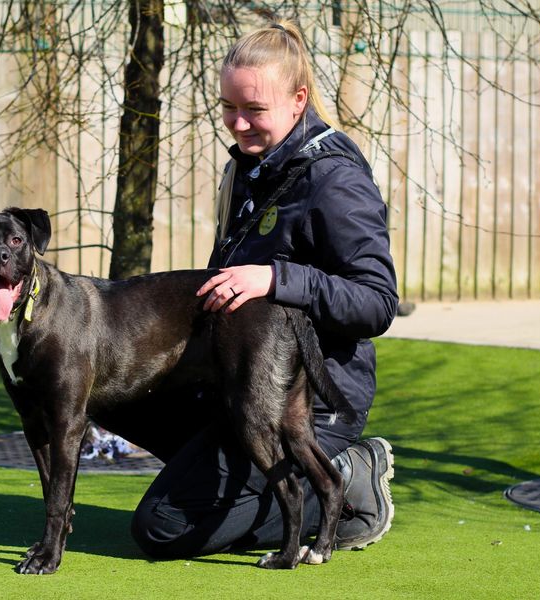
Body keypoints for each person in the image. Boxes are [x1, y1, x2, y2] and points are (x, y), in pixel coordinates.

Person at [94, 19, 398, 558]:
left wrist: (277, 278)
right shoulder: (252, 168)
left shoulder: (335, 179)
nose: (238, 123)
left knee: (161, 530)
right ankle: (223, 484)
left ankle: (341, 480)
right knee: (110, 388)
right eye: (229, 107)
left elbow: (376, 301)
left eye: (254, 110)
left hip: (312, 402)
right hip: (235, 379)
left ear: (298, 98)